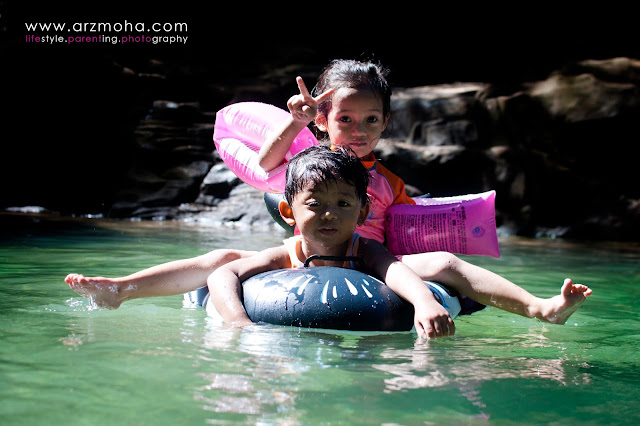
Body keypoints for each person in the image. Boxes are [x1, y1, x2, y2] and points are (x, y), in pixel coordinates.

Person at [65, 58, 592, 334]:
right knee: (221, 258)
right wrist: (291, 122)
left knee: (447, 261)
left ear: (385, 123)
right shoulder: (304, 166)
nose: (358, 129)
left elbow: (398, 241)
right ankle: (122, 288)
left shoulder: (385, 181)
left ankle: (540, 308)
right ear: (321, 118)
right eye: (345, 119)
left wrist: (423, 290)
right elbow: (269, 164)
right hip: (307, 258)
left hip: (370, 260)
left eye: (371, 120)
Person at [209, 145, 455, 337]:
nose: (330, 214)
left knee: (447, 264)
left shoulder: (364, 250)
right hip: (290, 338)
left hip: (366, 330)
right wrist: (238, 321)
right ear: (288, 212)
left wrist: (424, 301)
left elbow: (394, 269)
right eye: (315, 204)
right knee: (217, 258)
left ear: (362, 213)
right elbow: (221, 275)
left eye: (344, 204)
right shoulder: (286, 256)